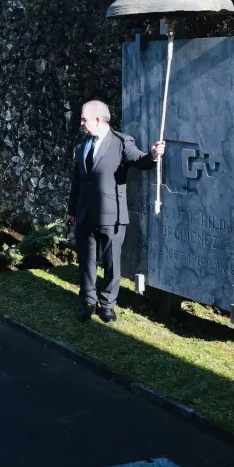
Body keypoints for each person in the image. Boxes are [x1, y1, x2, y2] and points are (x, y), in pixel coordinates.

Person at [66, 100, 165, 323]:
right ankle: (88, 301)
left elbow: (140, 160)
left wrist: (153, 155)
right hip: (85, 214)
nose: (81, 123)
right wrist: (71, 210)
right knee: (87, 261)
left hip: (112, 216)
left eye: (84, 119)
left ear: (98, 119)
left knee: (112, 263)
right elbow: (77, 181)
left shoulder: (121, 142)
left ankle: (108, 305)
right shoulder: (83, 144)